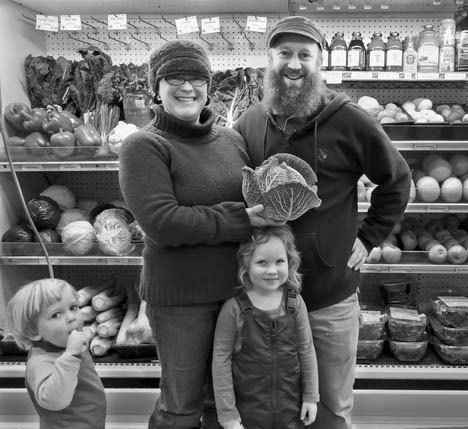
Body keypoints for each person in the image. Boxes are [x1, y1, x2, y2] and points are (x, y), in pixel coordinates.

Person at [234, 16, 411, 429]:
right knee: (275, 406)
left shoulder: (349, 120)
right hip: (266, 300)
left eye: (304, 55)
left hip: (327, 295)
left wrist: (368, 238)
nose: (293, 64)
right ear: (270, 59)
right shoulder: (251, 121)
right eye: (284, 54)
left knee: (330, 407)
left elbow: (397, 180)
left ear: (319, 63)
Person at [119, 39, 279, 429]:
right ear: (156, 86)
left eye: (196, 78)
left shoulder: (231, 140)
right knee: (181, 405)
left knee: (224, 403)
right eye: (174, 77)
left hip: (236, 296)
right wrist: (239, 219)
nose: (187, 87)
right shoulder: (143, 145)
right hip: (181, 303)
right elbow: (162, 222)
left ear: (208, 85)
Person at [212, 225, 319, 429]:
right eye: (262, 262)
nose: (272, 270)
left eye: (280, 261)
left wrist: (311, 397)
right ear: (246, 265)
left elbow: (306, 350)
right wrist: (227, 414)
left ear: (290, 262)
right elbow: (221, 360)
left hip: (291, 412)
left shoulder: (295, 303)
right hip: (246, 415)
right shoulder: (233, 309)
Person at [5, 278, 106, 429]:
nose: (71, 317)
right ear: (33, 332)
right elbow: (55, 400)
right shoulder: (40, 362)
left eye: (73, 307)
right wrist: (71, 356)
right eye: (56, 315)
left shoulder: (66, 346)